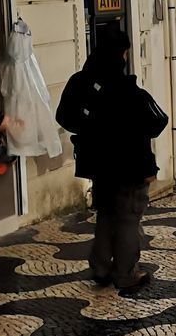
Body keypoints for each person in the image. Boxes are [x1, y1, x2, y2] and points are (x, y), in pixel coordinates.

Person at [56, 30, 168, 292]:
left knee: (106, 213)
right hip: (130, 166)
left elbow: (64, 117)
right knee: (128, 218)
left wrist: (90, 128)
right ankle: (126, 274)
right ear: (123, 54)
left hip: (96, 164)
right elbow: (156, 123)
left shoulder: (80, 83)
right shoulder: (128, 90)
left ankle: (100, 267)